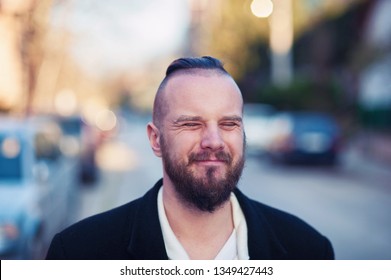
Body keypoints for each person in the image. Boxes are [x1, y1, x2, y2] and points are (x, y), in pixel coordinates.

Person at [46, 56, 334, 260]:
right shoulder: (78, 255)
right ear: (156, 139)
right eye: (191, 124)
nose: (214, 141)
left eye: (229, 124)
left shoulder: (307, 252)